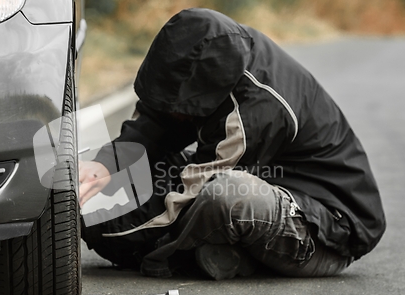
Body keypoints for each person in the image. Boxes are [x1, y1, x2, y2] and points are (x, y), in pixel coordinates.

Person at [79, 8, 386, 280]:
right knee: (169, 168)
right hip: (275, 187)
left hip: (324, 233)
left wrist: (91, 222)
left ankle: (178, 256)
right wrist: (103, 166)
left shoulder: (255, 111)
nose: (171, 111)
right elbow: (157, 123)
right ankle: (225, 251)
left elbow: (185, 196)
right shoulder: (216, 53)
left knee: (224, 192)